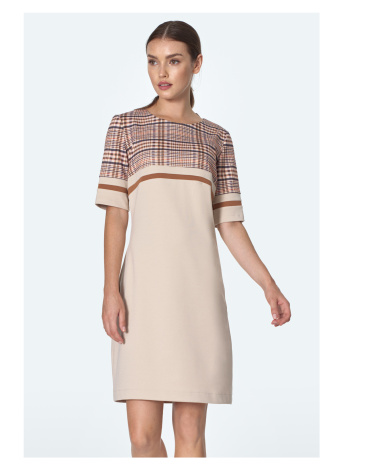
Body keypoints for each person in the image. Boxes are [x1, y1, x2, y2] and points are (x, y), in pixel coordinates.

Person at [95, 20, 291, 458]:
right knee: (142, 437)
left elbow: (230, 223)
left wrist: (269, 285)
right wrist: (110, 291)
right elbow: (116, 215)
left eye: (174, 61)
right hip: (141, 296)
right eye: (153, 62)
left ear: (197, 64)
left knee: (191, 435)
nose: (162, 72)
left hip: (197, 297)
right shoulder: (125, 127)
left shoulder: (217, 138)